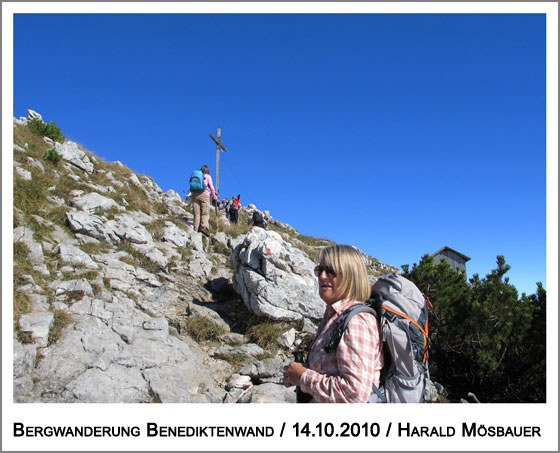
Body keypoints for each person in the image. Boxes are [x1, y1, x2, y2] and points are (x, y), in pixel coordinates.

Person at [283, 244, 384, 403]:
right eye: (320, 270)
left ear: (351, 276)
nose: (322, 276)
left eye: (331, 271)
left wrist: (303, 377)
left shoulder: (356, 321)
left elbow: (354, 394)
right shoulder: (334, 316)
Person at [192, 165, 217, 237]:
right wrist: (214, 197)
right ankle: (203, 227)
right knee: (205, 213)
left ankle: (195, 229)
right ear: (208, 171)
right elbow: (212, 188)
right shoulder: (208, 177)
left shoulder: (197, 176)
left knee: (196, 213)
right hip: (204, 195)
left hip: (195, 195)